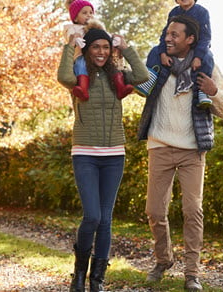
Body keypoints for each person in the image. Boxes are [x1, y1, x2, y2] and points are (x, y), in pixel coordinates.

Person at [138, 14, 223, 291]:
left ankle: (192, 273)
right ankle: (163, 259)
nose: (168, 38)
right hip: (160, 145)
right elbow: (135, 82)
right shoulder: (159, 63)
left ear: (190, 39)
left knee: (193, 210)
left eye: (174, 35)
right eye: (167, 34)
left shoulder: (206, 67)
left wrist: (214, 91)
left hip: (192, 150)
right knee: (155, 210)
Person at [57, 25, 149, 292]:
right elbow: (62, 76)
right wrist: (70, 45)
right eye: (96, 47)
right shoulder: (79, 73)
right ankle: (78, 275)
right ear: (88, 49)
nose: (101, 52)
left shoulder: (118, 75)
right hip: (85, 153)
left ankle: (97, 280)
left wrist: (126, 48)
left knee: (106, 220)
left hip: (114, 155)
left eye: (106, 47)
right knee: (92, 217)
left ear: (111, 51)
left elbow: (143, 76)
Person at [148, 0, 214, 108]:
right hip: (176, 46)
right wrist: (162, 53)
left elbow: (206, 36)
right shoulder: (174, 12)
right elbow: (165, 34)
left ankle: (202, 91)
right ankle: (150, 79)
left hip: (197, 47)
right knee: (155, 51)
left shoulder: (201, 12)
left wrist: (198, 57)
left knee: (208, 56)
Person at [64, 0, 133, 101]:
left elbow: (106, 36)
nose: (89, 15)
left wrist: (114, 40)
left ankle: (120, 87)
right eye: (84, 13)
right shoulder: (72, 28)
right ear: (75, 18)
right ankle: (83, 88)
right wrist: (76, 39)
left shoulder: (97, 27)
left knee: (112, 65)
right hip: (82, 56)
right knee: (80, 64)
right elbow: (71, 36)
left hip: (99, 58)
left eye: (91, 12)